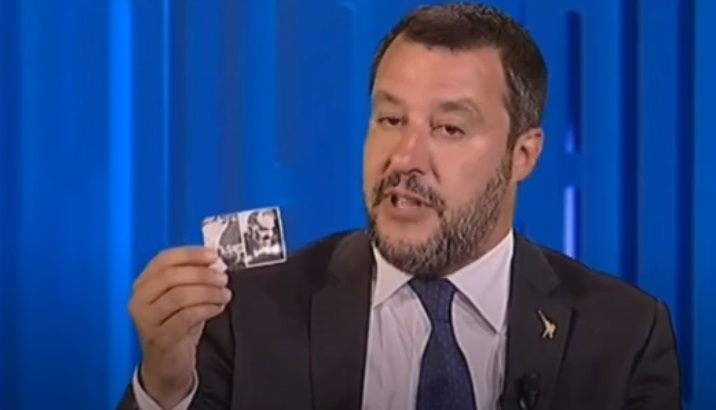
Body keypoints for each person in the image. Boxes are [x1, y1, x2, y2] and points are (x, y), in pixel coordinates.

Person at [118, 3, 682, 410]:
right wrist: (164, 389)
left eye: (449, 127)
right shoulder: (246, 313)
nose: (405, 157)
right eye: (390, 119)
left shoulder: (626, 337)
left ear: (522, 156)